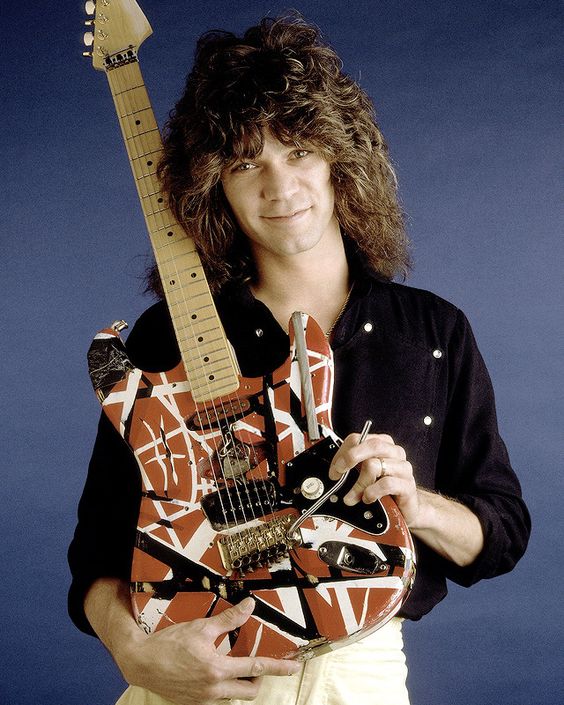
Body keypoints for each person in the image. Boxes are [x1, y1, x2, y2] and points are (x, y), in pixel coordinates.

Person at [68, 14, 531, 705]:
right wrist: (137, 656)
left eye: (299, 152)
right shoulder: (168, 336)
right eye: (244, 163)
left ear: (340, 160)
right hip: (194, 675)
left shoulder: (433, 330)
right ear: (212, 185)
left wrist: (417, 505)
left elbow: (501, 535)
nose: (279, 188)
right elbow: (99, 547)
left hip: (357, 677)